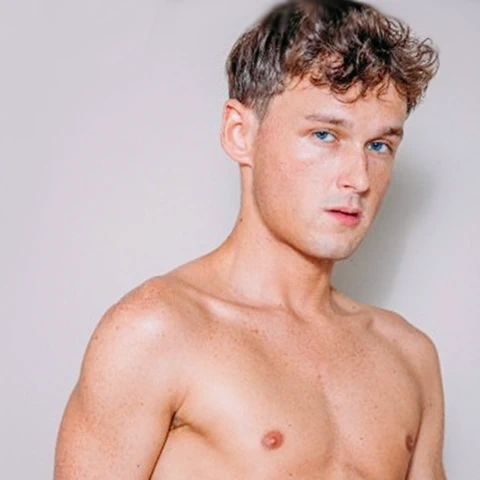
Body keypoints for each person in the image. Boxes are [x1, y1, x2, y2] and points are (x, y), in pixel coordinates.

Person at [54, 0, 446, 478]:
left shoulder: (409, 356)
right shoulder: (157, 331)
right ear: (240, 134)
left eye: (380, 145)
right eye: (324, 135)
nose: (359, 178)